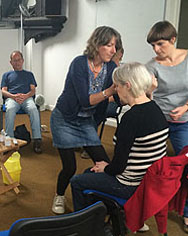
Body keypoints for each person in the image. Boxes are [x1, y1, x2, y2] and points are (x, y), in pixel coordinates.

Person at [71, 62, 169, 212]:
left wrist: (106, 168)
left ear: (128, 85)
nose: (115, 90)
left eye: (117, 86)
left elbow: (118, 166)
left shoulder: (131, 118)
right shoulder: (156, 108)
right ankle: (105, 217)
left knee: (77, 181)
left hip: (129, 185)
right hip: (150, 182)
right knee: (90, 173)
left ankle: (85, 227)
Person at [50, 26, 121, 214]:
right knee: (70, 167)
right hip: (64, 119)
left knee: (104, 162)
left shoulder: (112, 67)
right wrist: (109, 92)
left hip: (86, 121)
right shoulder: (79, 63)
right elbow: (84, 99)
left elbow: (119, 96)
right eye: (109, 45)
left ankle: (99, 197)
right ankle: (59, 195)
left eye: (115, 46)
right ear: (97, 45)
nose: (113, 51)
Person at [145, 21, 188, 234]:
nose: (156, 50)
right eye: (152, 45)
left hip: (185, 121)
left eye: (160, 44)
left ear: (173, 39)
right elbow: (144, 99)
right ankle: (148, 206)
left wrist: (186, 106)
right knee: (148, 165)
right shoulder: (150, 66)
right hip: (158, 121)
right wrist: (151, 90)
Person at [81, 47, 125, 159]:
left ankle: (89, 145)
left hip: (112, 102)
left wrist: (103, 97)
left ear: (120, 55)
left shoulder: (120, 72)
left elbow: (119, 96)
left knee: (93, 114)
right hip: (100, 98)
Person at [1, 50, 42, 154]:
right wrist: (13, 96)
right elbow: (3, 91)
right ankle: (9, 140)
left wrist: (25, 96)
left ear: (22, 61)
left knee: (33, 109)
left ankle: (37, 139)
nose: (17, 62)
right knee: (9, 109)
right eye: (14, 61)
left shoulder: (29, 74)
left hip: (27, 98)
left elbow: (33, 90)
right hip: (12, 98)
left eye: (18, 60)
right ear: (11, 62)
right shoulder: (6, 75)